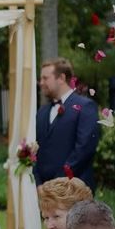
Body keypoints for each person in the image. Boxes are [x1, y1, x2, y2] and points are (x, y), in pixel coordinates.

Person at [33, 58, 99, 190]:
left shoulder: (85, 107)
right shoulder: (42, 112)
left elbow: (84, 149)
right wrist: (38, 183)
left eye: (45, 78)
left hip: (75, 189)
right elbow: (36, 151)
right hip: (44, 193)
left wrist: (58, 182)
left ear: (62, 78)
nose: (41, 83)